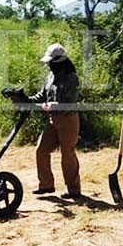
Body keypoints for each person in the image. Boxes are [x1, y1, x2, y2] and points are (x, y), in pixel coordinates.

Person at [28, 43, 82, 199]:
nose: (49, 65)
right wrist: (26, 99)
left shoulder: (71, 77)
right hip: (53, 119)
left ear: (60, 60)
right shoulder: (50, 76)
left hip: (68, 119)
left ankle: (74, 190)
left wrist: (54, 105)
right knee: (41, 150)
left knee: (67, 154)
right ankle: (46, 185)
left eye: (52, 61)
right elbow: (41, 96)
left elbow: (70, 102)